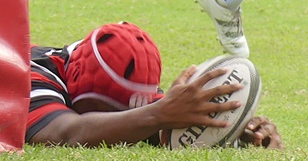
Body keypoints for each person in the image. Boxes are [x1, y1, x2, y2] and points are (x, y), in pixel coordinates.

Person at [27, 21, 281, 148]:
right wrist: (158, 114)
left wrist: (239, 128)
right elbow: (65, 133)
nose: (120, 118)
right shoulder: (28, 73)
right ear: (78, 74)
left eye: (130, 110)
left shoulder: (142, 106)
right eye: (107, 107)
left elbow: (155, 118)